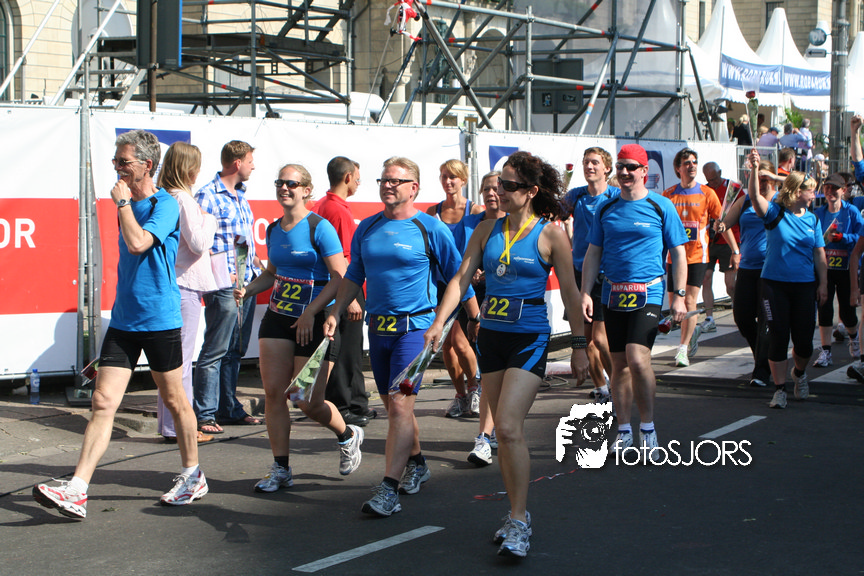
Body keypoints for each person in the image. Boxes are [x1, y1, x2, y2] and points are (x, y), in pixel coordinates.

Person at [33, 130, 207, 519]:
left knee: (175, 399)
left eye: (124, 162)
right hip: (125, 319)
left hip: (160, 319)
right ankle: (77, 489)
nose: (118, 168)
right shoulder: (125, 202)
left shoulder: (165, 204)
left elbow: (138, 243)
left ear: (147, 165)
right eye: (115, 161)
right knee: (102, 401)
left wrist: (125, 204)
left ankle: (192, 475)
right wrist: (125, 204)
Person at [425, 151, 589, 558]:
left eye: (510, 185)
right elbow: (460, 279)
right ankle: (516, 512)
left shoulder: (550, 235)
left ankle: (518, 521)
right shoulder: (486, 230)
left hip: (528, 339)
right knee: (500, 430)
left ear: (531, 191)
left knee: (511, 427)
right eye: (499, 183)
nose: (500, 190)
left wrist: (580, 346)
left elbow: (571, 294)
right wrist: (439, 322)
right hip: (491, 338)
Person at [324, 157, 478, 518]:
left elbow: (458, 278)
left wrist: (474, 317)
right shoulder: (367, 228)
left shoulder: (430, 228)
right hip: (378, 331)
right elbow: (354, 276)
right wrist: (335, 311)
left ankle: (388, 490)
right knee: (397, 409)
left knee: (398, 406)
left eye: (396, 180)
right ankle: (418, 463)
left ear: (414, 188)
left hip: (416, 331)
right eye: (384, 180)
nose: (388, 186)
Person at [235, 164, 363, 491]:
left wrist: (311, 312)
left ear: (306, 190)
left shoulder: (319, 227)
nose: (284, 188)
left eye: (291, 183)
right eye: (280, 182)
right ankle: (281, 468)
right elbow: (272, 273)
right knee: (274, 394)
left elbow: (340, 277)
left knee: (305, 401)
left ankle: (347, 435)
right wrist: (248, 290)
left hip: (316, 320)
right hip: (279, 316)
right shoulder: (274, 229)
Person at [581, 144, 688, 457]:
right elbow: (593, 253)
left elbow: (679, 252)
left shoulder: (661, 205)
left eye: (631, 167)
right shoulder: (606, 208)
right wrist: (585, 292)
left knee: (637, 359)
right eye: (621, 167)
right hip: (613, 292)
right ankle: (624, 429)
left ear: (644, 171)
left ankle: (648, 428)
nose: (625, 172)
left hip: (648, 292)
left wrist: (679, 296)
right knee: (618, 364)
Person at [745, 149, 827, 408]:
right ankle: (780, 389)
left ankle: (799, 374)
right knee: (778, 337)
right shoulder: (774, 213)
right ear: (796, 192)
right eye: (810, 191)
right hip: (774, 285)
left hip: (804, 286)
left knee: (804, 343)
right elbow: (755, 197)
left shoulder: (813, 220)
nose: (814, 195)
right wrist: (754, 169)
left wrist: (823, 284)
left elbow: (819, 254)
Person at [193, 140, 263, 435]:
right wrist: (221, 270)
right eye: (250, 161)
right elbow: (198, 241)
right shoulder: (207, 195)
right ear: (237, 163)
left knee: (235, 349)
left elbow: (244, 241)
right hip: (223, 284)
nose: (253, 166)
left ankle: (228, 408)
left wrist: (259, 267)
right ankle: (205, 414)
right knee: (216, 349)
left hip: (247, 282)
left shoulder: (240, 196)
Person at [157, 142, 218, 444]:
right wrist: (211, 220)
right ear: (189, 169)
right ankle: (180, 427)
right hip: (186, 285)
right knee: (180, 361)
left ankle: (172, 425)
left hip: (175, 284)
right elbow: (198, 242)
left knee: (172, 360)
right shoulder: (183, 198)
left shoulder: (165, 196)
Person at [312, 156, 374, 427]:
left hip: (339, 288)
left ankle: (357, 401)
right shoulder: (336, 210)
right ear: (347, 177)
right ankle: (343, 405)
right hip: (344, 288)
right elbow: (343, 260)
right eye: (357, 179)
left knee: (351, 348)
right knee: (345, 350)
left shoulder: (324, 206)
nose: (358, 183)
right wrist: (348, 299)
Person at [560, 147, 619, 402]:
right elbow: (556, 212)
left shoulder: (616, 196)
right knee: (585, 342)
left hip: (607, 275)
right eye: (586, 162)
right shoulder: (576, 195)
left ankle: (618, 384)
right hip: (580, 273)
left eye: (595, 162)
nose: (589, 167)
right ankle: (602, 389)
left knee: (599, 340)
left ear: (607, 168)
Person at [426, 159, 484, 419]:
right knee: (446, 344)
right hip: (440, 285)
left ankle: (474, 388)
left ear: (463, 180)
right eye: (444, 176)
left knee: (460, 342)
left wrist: (479, 267)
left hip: (466, 284)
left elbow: (485, 242)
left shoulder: (475, 210)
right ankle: (460, 396)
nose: (448, 181)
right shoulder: (433, 211)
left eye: (453, 177)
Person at [718, 158, 779, 387]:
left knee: (765, 319)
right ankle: (762, 355)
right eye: (756, 178)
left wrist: (776, 178)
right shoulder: (745, 201)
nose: (760, 183)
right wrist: (721, 226)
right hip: (747, 267)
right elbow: (726, 223)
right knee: (742, 317)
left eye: (764, 179)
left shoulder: (780, 200)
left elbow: (803, 183)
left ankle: (761, 371)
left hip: (770, 269)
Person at [662, 148, 722, 367]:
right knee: (674, 304)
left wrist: (722, 227)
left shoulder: (707, 193)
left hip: (697, 254)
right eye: (687, 163)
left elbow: (720, 218)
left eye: (694, 162)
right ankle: (692, 329)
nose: (692, 166)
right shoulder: (669, 195)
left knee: (689, 301)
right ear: (678, 168)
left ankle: (682, 349)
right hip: (674, 257)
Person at [463, 171, 506, 466]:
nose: (491, 194)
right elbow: (462, 265)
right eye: (486, 189)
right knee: (489, 371)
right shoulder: (474, 225)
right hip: (477, 300)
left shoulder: (524, 226)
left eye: (496, 188)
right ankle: (485, 437)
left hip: (513, 308)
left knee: (502, 376)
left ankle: (499, 429)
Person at [812, 174, 863, 368]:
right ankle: (826, 351)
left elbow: (861, 237)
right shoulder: (819, 213)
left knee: (847, 312)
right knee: (824, 308)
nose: (830, 192)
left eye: (835, 188)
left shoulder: (851, 212)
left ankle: (854, 336)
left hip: (846, 268)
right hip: (825, 268)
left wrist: (843, 237)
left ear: (843, 190)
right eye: (827, 188)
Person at [701, 161, 744, 332]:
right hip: (710, 241)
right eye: (709, 180)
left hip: (729, 240)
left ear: (720, 173)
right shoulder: (705, 190)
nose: (712, 183)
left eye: (714, 179)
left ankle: (739, 311)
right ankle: (709, 318)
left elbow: (743, 211)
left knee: (730, 284)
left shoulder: (732, 189)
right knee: (706, 278)